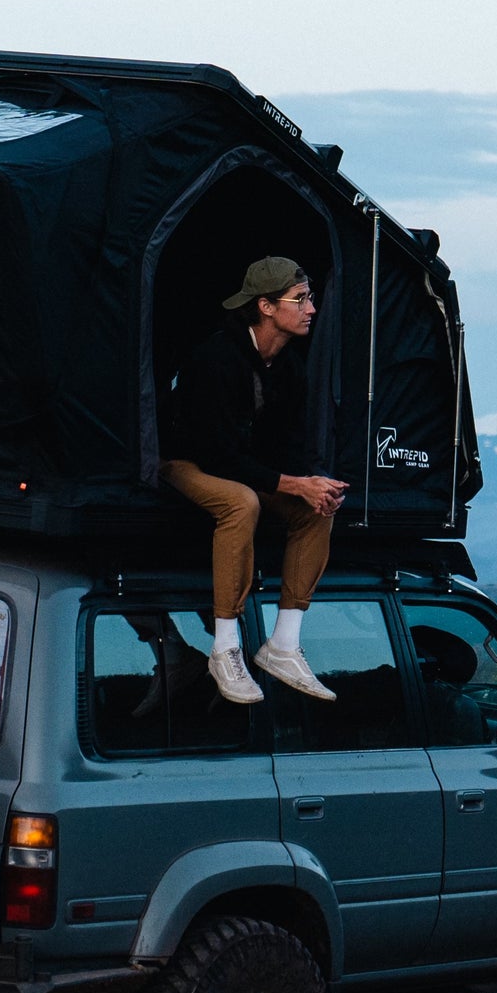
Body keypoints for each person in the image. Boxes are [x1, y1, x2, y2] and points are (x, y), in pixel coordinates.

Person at [161, 256, 349, 704]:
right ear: (266, 307)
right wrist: (292, 482)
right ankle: (224, 647)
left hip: (241, 465)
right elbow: (217, 454)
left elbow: (288, 445)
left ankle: (282, 645)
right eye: (299, 299)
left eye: (311, 298)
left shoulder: (290, 365)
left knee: (316, 507)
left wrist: (312, 485)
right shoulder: (216, 358)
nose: (311, 309)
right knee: (241, 502)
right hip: (186, 462)